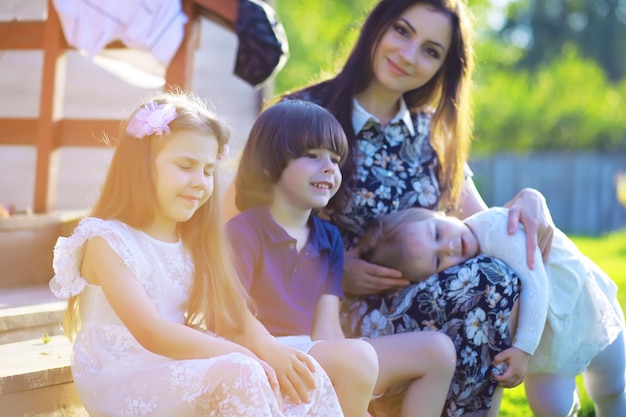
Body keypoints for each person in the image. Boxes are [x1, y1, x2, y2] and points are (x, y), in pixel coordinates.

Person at [247, 0, 557, 415]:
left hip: (437, 305)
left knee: (497, 275)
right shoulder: (305, 116)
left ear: (444, 67)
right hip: (335, 318)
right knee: (488, 283)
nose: (408, 56)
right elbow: (247, 226)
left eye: (431, 50)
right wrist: (335, 273)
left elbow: (483, 228)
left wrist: (530, 198)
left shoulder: (433, 136)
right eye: (402, 31)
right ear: (377, 28)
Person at [48, 90, 345, 416]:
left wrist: (268, 348)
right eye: (186, 165)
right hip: (124, 374)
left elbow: (236, 314)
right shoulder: (107, 240)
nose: (199, 182)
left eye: (207, 170)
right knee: (242, 371)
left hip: (177, 362)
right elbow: (151, 332)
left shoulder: (196, 241)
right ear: (142, 165)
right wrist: (244, 355)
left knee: (306, 376)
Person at [226, 99, 457, 417]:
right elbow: (229, 316)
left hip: (310, 350)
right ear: (268, 164)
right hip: (260, 352)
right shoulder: (244, 232)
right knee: (355, 359)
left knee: (438, 351)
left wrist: (356, 371)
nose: (329, 168)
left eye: (335, 159)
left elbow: (327, 328)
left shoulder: (328, 239)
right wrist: (278, 351)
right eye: (312, 156)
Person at [358, 206, 626, 417]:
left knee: (610, 386)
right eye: (438, 260)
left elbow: (536, 284)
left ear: (440, 213)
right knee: (551, 407)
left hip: (583, 308)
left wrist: (522, 350)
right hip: (547, 335)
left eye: (438, 233)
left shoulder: (496, 226)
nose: (449, 247)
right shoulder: (469, 259)